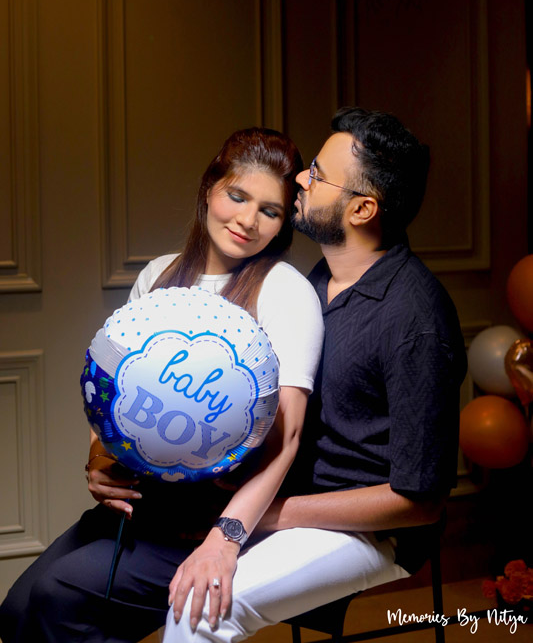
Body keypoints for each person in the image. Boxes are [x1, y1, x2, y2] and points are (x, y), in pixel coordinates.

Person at [0, 127, 324, 643]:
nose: (247, 220)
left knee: (58, 598)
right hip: (145, 505)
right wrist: (98, 458)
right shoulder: (157, 275)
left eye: (270, 210)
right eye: (237, 196)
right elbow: (113, 380)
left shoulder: (285, 290)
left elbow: (287, 438)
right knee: (17, 610)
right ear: (209, 189)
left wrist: (225, 538)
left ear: (284, 222)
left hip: (214, 518)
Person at [162, 106, 467, 643]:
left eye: (318, 175)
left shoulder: (416, 319)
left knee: (201, 611)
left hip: (375, 534)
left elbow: (422, 501)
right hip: (291, 497)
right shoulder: (318, 280)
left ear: (363, 208)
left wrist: (269, 515)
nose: (301, 178)